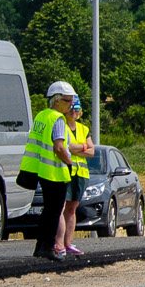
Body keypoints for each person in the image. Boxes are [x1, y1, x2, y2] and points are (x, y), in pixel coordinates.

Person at [18, 82, 77, 262]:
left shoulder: (41, 116)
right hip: (55, 172)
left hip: (42, 170)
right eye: (67, 101)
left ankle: (40, 247)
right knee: (54, 212)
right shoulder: (57, 119)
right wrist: (70, 163)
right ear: (57, 100)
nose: (71, 105)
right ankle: (48, 248)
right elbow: (59, 147)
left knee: (48, 211)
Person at [61, 95, 95, 255]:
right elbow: (66, 147)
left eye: (76, 108)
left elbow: (92, 151)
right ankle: (58, 243)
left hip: (81, 174)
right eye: (70, 108)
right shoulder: (61, 126)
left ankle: (68, 243)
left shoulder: (83, 129)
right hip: (65, 172)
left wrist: (77, 147)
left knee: (71, 209)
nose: (73, 111)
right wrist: (83, 147)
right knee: (61, 208)